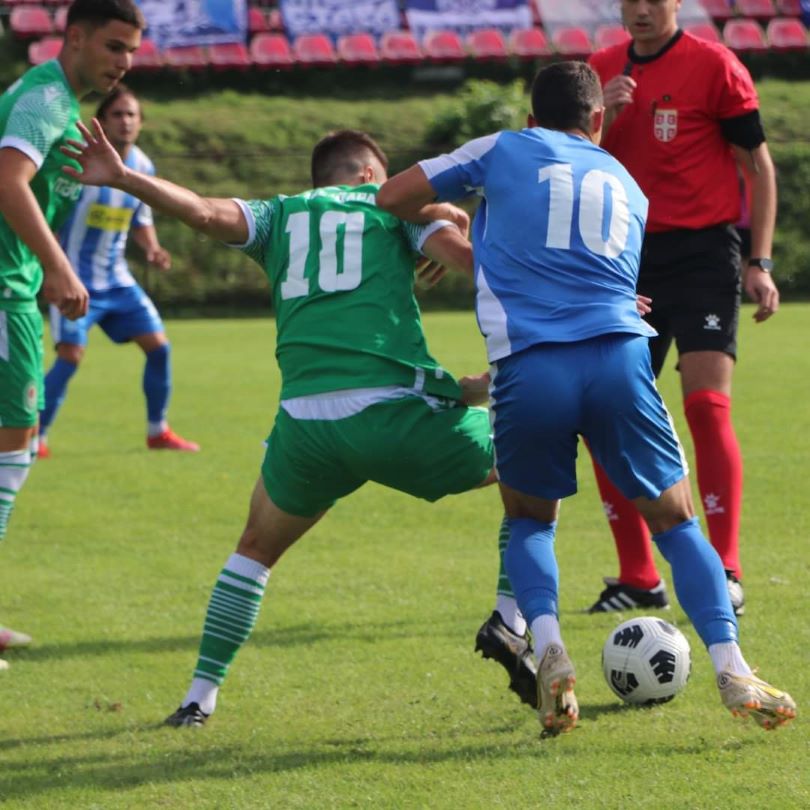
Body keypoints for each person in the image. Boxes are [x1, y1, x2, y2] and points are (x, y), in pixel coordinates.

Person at [62, 124, 540, 724]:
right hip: (391, 416)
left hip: (306, 427)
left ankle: (197, 701)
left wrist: (126, 176)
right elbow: (470, 263)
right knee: (533, 459)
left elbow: (206, 214)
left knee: (253, 552)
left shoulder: (279, 215)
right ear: (372, 175)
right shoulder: (392, 205)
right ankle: (509, 619)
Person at [376, 61, 795, 735]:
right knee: (678, 522)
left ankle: (550, 654)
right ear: (598, 120)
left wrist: (449, 209)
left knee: (532, 521)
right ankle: (732, 663)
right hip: (618, 357)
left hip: (531, 364)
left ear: (530, 115)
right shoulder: (628, 184)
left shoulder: (504, 148)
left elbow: (390, 196)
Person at [583, 0, 780, 617]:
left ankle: (726, 570)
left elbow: (758, 167)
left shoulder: (714, 66)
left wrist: (760, 261)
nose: (640, 9)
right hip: (625, 255)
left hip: (703, 253)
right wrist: (602, 116)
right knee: (610, 414)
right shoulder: (599, 70)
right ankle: (638, 576)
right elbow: (569, 163)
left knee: (705, 403)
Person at [0, 0, 144, 668]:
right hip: (7, 292)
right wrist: (58, 267)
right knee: (12, 451)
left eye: (133, 51)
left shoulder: (62, 107)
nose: (125, 63)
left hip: (15, 289)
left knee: (12, 450)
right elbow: (9, 181)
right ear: (76, 38)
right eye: (114, 47)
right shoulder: (45, 98)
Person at [39, 85, 199, 456]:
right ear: (103, 121)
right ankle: (35, 437)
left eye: (132, 115)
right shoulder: (78, 165)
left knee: (159, 348)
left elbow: (140, 217)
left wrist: (153, 248)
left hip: (117, 279)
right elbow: (52, 217)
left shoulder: (142, 166)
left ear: (141, 123)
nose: (126, 121)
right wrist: (50, 268)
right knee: (70, 355)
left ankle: (158, 431)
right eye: (118, 114)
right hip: (76, 278)